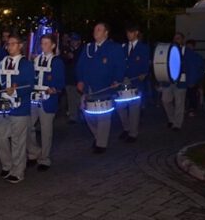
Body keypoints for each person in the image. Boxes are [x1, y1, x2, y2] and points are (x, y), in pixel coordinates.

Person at [76, 22, 125, 153]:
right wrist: (80, 80)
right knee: (88, 115)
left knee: (103, 115)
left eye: (99, 29)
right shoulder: (88, 48)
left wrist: (117, 79)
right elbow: (80, 65)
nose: (95, 31)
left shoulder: (114, 48)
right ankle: (98, 137)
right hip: (88, 87)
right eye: (95, 29)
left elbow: (120, 66)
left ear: (106, 33)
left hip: (105, 86)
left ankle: (101, 144)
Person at [0, 33, 34, 183]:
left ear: (20, 45)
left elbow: (30, 85)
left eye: (12, 44)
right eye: (8, 44)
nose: (9, 47)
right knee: (0, 136)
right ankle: (7, 165)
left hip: (20, 106)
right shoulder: (2, 62)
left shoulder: (26, 64)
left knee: (18, 140)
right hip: (3, 106)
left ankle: (18, 170)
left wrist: (16, 90)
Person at [27, 34, 65, 171]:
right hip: (33, 98)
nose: (43, 45)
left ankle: (44, 159)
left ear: (53, 45)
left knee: (46, 130)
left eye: (46, 43)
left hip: (48, 100)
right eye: (42, 43)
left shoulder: (57, 61)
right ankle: (33, 153)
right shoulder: (36, 59)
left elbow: (60, 82)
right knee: (27, 126)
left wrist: (54, 89)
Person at [117, 24, 150, 143]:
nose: (128, 35)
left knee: (134, 107)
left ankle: (133, 133)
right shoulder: (123, 46)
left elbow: (146, 63)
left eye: (130, 32)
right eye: (127, 33)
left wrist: (144, 73)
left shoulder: (143, 47)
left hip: (136, 80)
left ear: (136, 33)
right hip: (123, 80)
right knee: (120, 107)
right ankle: (126, 128)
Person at [161, 32, 190, 131]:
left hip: (181, 81)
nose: (175, 40)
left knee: (179, 103)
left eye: (178, 38)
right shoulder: (169, 50)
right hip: (169, 80)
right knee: (165, 100)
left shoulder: (187, 51)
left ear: (182, 40)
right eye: (174, 38)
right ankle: (172, 119)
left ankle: (177, 124)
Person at [61, 33, 82, 123]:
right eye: (72, 40)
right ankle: (73, 116)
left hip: (77, 79)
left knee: (78, 99)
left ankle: (80, 115)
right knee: (70, 98)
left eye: (75, 40)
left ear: (79, 42)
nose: (73, 42)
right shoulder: (67, 50)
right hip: (68, 79)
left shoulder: (82, 51)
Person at [185, 40, 205, 116]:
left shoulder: (195, 57)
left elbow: (199, 69)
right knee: (191, 94)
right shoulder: (197, 56)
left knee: (191, 94)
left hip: (191, 80)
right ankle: (191, 108)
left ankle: (191, 108)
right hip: (191, 80)